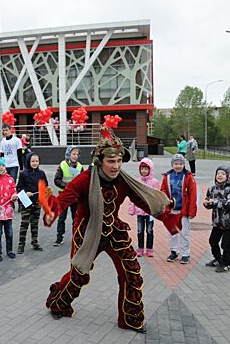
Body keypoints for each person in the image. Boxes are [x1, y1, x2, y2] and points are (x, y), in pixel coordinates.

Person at [41, 117, 180, 332]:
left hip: (114, 231)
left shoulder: (123, 180)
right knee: (79, 274)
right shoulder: (85, 180)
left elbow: (144, 202)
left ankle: (130, 319)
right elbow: (62, 202)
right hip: (88, 232)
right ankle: (59, 303)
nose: (116, 166)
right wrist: (51, 208)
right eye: (111, 161)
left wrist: (167, 218)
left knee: (132, 273)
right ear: (100, 161)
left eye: (119, 161)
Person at [160, 154, 197, 264]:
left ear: (183, 165)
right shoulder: (167, 177)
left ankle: (185, 253)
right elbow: (163, 190)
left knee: (184, 233)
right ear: (172, 164)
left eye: (180, 164)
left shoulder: (188, 177)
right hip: (171, 210)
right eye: (176, 164)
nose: (178, 166)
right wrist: (166, 200)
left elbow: (192, 194)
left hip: (183, 210)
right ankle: (174, 251)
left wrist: (191, 211)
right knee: (172, 232)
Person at [203, 166, 230, 273]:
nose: (219, 175)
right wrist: (207, 204)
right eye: (218, 173)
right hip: (218, 222)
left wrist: (214, 202)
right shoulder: (212, 189)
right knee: (212, 241)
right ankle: (219, 259)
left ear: (228, 177)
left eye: (223, 174)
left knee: (225, 244)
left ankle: (227, 263)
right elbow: (209, 201)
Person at [16, 152, 48, 254]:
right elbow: (19, 188)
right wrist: (25, 193)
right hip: (26, 202)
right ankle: (21, 244)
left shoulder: (41, 173)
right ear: (28, 161)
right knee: (24, 224)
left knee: (35, 223)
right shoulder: (23, 174)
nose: (34, 163)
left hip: (37, 201)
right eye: (32, 161)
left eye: (36, 161)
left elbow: (45, 185)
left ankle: (35, 242)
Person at [128, 158, 160, 257]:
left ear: (150, 170)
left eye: (146, 169)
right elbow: (133, 196)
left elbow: (157, 197)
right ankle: (140, 248)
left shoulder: (155, 182)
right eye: (142, 169)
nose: (144, 171)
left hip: (150, 212)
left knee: (150, 230)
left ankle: (150, 249)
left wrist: (156, 209)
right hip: (140, 211)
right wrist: (131, 208)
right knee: (140, 230)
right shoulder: (137, 182)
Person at [53, 146, 83, 247]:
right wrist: (67, 186)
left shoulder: (79, 166)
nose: (75, 156)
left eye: (77, 154)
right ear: (68, 154)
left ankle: (77, 237)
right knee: (62, 217)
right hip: (64, 195)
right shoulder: (62, 165)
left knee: (76, 217)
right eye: (73, 154)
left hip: (75, 196)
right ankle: (59, 238)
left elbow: (83, 180)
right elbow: (56, 180)